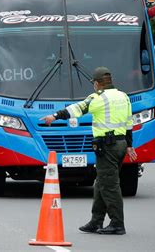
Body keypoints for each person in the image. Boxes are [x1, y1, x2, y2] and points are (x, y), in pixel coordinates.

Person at [40, 67, 137, 235]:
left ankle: (117, 223)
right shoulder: (123, 96)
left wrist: (54, 116)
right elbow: (129, 123)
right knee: (101, 182)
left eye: (94, 84)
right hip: (121, 144)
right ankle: (96, 221)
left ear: (97, 84)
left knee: (109, 186)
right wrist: (129, 145)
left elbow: (75, 109)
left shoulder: (97, 98)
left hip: (108, 146)